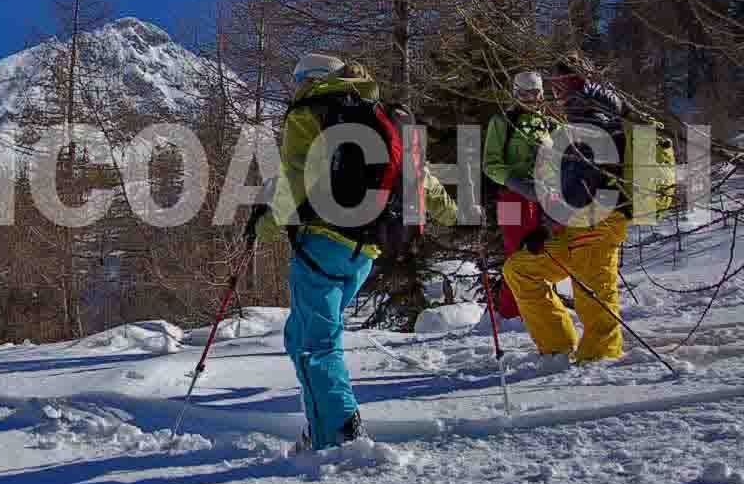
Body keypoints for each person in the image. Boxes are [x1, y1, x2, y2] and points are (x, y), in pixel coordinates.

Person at [258, 55, 463, 451]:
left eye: (300, 78)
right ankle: (323, 424)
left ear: (316, 79)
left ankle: (338, 435)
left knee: (314, 343)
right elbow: (423, 178)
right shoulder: (386, 116)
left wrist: (264, 225)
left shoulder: (312, 112)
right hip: (366, 248)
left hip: (322, 240)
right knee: (302, 334)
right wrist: (455, 214)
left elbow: (296, 179)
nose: (297, 86)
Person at [502, 57, 631, 362]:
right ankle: (557, 345)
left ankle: (600, 357)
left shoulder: (599, 113)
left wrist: (582, 89)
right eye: (556, 86)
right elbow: (564, 184)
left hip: (599, 221)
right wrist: (545, 228)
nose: (556, 92)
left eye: (561, 84)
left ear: (579, 81)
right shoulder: (571, 122)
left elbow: (582, 179)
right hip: (572, 223)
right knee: (520, 270)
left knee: (593, 293)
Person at [481, 71, 553, 318]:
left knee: (543, 251)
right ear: (515, 93)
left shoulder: (546, 123)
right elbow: (490, 164)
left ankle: (541, 305)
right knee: (515, 253)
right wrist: (515, 183)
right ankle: (511, 311)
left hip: (542, 197)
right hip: (511, 197)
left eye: (535, 94)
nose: (530, 99)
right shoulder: (502, 122)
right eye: (524, 94)